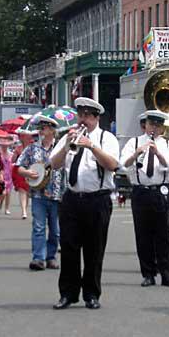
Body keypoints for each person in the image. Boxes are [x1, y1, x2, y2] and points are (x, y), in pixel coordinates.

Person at [49, 97, 119, 310]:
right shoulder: (68, 136)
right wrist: (67, 144)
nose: (83, 120)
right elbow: (54, 163)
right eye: (81, 115)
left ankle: (91, 294)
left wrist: (92, 146)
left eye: (87, 116)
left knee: (94, 249)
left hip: (97, 199)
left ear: (96, 118)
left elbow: (113, 164)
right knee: (69, 247)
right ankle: (68, 294)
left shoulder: (107, 138)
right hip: (72, 198)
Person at [120, 110, 169, 287]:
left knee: (163, 234)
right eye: (151, 124)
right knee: (143, 233)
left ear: (162, 127)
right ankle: (148, 273)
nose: (154, 128)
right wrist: (136, 153)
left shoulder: (168, 143)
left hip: (161, 191)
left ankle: (168, 274)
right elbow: (122, 164)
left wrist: (158, 154)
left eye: (158, 125)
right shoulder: (134, 142)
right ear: (145, 125)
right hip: (140, 191)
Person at [17, 115, 65, 271]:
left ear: (52, 130)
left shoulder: (60, 148)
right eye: (40, 128)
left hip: (58, 194)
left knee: (55, 230)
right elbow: (19, 167)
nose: (40, 131)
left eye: (43, 128)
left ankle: (51, 257)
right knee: (38, 227)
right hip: (38, 194)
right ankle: (38, 258)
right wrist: (28, 173)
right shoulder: (31, 148)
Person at [11, 130, 35, 219]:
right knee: (22, 190)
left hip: (31, 170)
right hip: (20, 171)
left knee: (27, 191)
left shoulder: (34, 147)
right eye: (23, 136)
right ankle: (24, 211)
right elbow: (13, 161)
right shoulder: (18, 148)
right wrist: (15, 153)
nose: (26, 138)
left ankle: (26, 208)